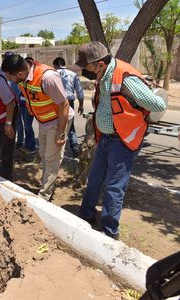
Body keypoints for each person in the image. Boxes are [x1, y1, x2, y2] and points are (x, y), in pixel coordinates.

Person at [71, 41, 166, 239]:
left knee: (115, 186)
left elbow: (157, 104)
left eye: (86, 67)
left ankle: (109, 231)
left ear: (100, 64)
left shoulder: (124, 78)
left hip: (123, 140)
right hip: (106, 138)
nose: (84, 71)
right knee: (95, 178)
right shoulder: (102, 75)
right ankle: (86, 215)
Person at [1, 54, 73, 201]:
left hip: (58, 119)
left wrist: (61, 131)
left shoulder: (48, 78)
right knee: (44, 155)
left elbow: (64, 105)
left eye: (10, 78)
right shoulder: (23, 77)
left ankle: (44, 196)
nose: (9, 80)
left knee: (51, 158)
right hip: (44, 121)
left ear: (20, 73)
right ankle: (47, 185)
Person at [53, 56, 84, 158]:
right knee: (70, 125)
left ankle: (56, 148)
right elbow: (79, 91)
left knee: (56, 124)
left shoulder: (53, 74)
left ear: (56, 65)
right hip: (69, 102)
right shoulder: (73, 74)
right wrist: (81, 105)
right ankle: (74, 146)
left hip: (56, 102)